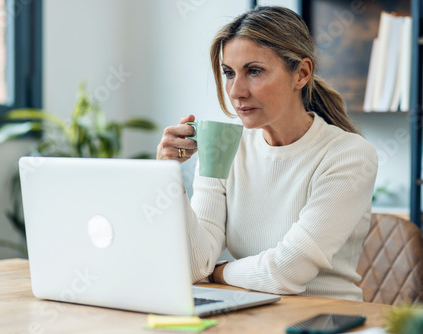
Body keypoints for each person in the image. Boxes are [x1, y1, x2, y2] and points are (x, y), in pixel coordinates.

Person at [156, 6, 378, 301]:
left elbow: (288, 270)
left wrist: (220, 273)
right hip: (249, 314)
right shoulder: (225, 146)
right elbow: (197, 266)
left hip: (325, 320)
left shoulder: (348, 155)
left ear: (301, 73)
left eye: (254, 71)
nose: (236, 91)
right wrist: (169, 177)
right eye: (229, 73)